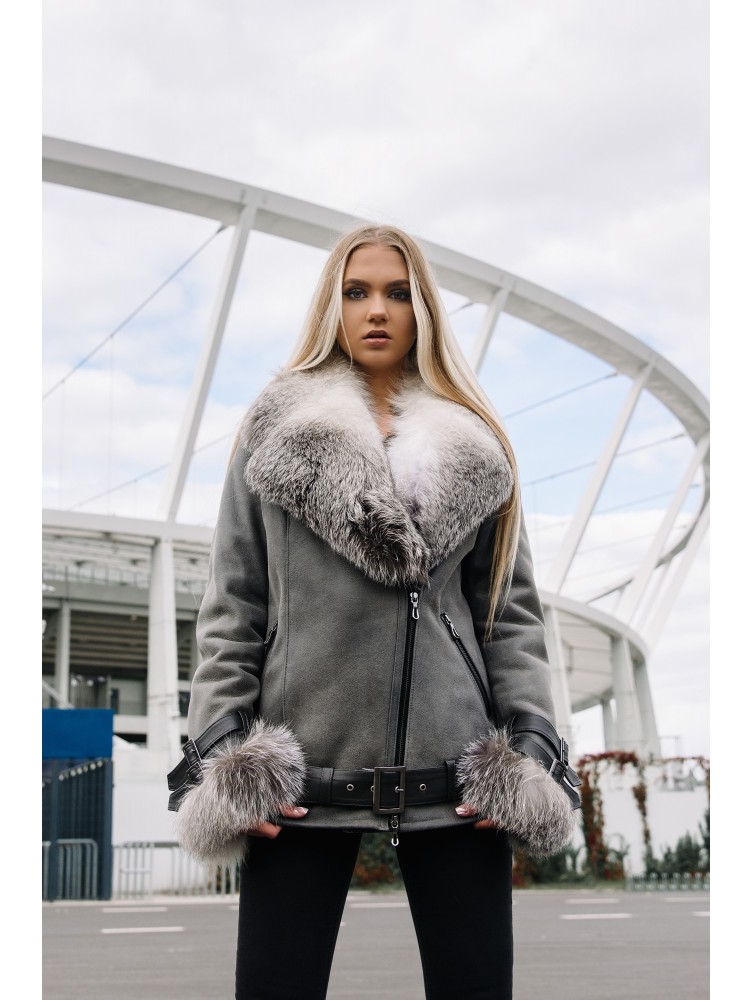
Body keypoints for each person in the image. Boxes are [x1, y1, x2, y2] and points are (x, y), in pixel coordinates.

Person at [167, 224, 581, 1000]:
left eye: (398, 292)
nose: (377, 310)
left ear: (424, 308)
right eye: (356, 292)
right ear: (333, 304)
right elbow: (233, 606)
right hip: (299, 779)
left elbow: (510, 616)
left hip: (458, 783)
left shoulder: (478, 444)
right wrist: (226, 756)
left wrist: (529, 752)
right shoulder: (274, 431)